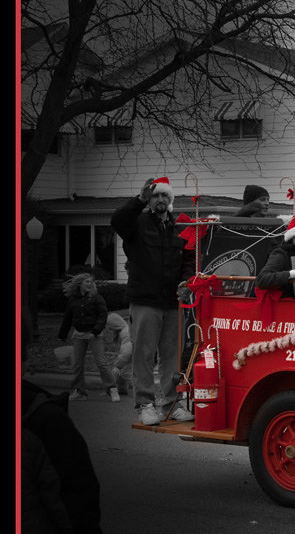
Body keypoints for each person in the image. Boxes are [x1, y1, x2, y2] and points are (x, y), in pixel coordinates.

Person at [21, 314, 106, 534]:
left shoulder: (41, 420)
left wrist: (92, 328)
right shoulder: (43, 422)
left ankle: (106, 386)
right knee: (80, 365)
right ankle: (83, 386)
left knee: (96, 362)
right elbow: (77, 499)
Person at [110, 176, 195, 426]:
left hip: (172, 302)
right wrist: (138, 200)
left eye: (163, 196)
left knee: (171, 356)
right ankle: (145, 404)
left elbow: (189, 259)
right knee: (143, 355)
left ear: (169, 200)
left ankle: (170, 404)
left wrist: (187, 282)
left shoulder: (180, 226)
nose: (160, 200)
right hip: (145, 300)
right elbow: (117, 221)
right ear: (149, 199)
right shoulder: (137, 222)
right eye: (155, 195)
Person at [57, 273, 117, 403]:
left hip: (94, 334)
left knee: (101, 362)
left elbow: (103, 316)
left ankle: (111, 389)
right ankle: (79, 391)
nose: (90, 284)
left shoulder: (97, 298)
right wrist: (62, 335)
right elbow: (68, 318)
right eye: (87, 282)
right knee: (77, 364)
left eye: (91, 282)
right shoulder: (73, 299)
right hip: (79, 334)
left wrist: (95, 331)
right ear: (80, 284)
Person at [103, 312, 133, 396]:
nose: (109, 330)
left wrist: (118, 365)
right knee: (123, 373)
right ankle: (122, 390)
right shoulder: (125, 330)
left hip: (133, 356)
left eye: (110, 328)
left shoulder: (126, 332)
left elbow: (126, 352)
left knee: (120, 371)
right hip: (136, 355)